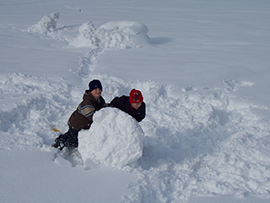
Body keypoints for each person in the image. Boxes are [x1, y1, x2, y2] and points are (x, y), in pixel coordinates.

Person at [52, 79, 105, 150]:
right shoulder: (87, 103)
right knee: (75, 142)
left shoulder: (99, 99)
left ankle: (63, 138)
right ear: (91, 90)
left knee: (70, 135)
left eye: (99, 89)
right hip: (77, 125)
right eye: (95, 89)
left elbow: (103, 108)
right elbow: (93, 117)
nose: (98, 91)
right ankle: (61, 142)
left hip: (81, 124)